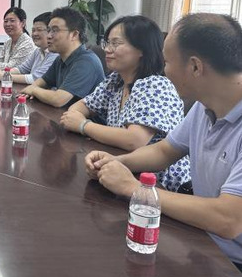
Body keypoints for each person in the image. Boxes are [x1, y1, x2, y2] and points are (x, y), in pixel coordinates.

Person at [84, 13, 242, 271]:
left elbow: (229, 219)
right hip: (201, 240)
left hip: (231, 266)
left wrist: (134, 188)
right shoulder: (204, 105)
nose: (164, 70)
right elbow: (166, 150)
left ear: (195, 67)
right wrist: (115, 162)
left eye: (167, 62)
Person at [61, 15, 188, 191]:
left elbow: (134, 140)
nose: (107, 49)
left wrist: (83, 125)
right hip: (122, 168)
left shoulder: (156, 85)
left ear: (142, 49)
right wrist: (78, 120)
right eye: (107, 43)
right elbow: (79, 107)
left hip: (158, 184)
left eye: (116, 43)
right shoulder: (116, 80)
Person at [21, 7, 104, 108]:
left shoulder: (86, 62)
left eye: (55, 30)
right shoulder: (60, 59)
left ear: (74, 34)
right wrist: (33, 88)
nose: (48, 36)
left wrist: (34, 90)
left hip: (83, 117)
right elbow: (42, 82)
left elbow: (58, 99)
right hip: (64, 114)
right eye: (49, 30)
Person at [0, 11, 58, 84]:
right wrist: (3, 72)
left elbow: (37, 78)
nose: (35, 34)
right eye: (33, 30)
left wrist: (4, 76)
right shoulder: (38, 51)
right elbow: (22, 69)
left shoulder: (55, 54)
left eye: (39, 30)